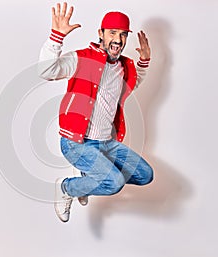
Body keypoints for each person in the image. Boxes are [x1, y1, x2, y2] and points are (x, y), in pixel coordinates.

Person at [38, 2, 153, 222]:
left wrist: (143, 63)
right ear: (101, 33)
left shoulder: (125, 67)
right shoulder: (82, 58)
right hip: (77, 143)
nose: (118, 40)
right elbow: (46, 71)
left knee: (145, 175)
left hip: (106, 143)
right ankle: (67, 188)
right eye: (112, 33)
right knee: (114, 182)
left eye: (122, 35)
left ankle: (86, 182)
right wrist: (56, 38)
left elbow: (134, 83)